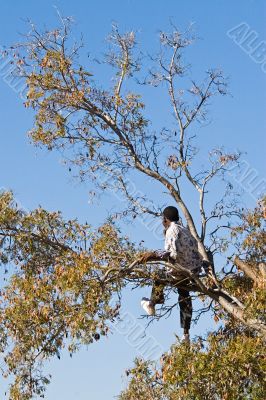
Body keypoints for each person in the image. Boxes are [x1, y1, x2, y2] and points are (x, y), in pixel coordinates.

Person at [141, 206, 203, 343]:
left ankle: (154, 302)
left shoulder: (172, 230)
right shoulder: (185, 230)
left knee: (157, 275)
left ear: (165, 219)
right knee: (184, 296)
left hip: (180, 271)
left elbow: (172, 254)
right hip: (192, 272)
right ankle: (186, 334)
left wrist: (154, 255)